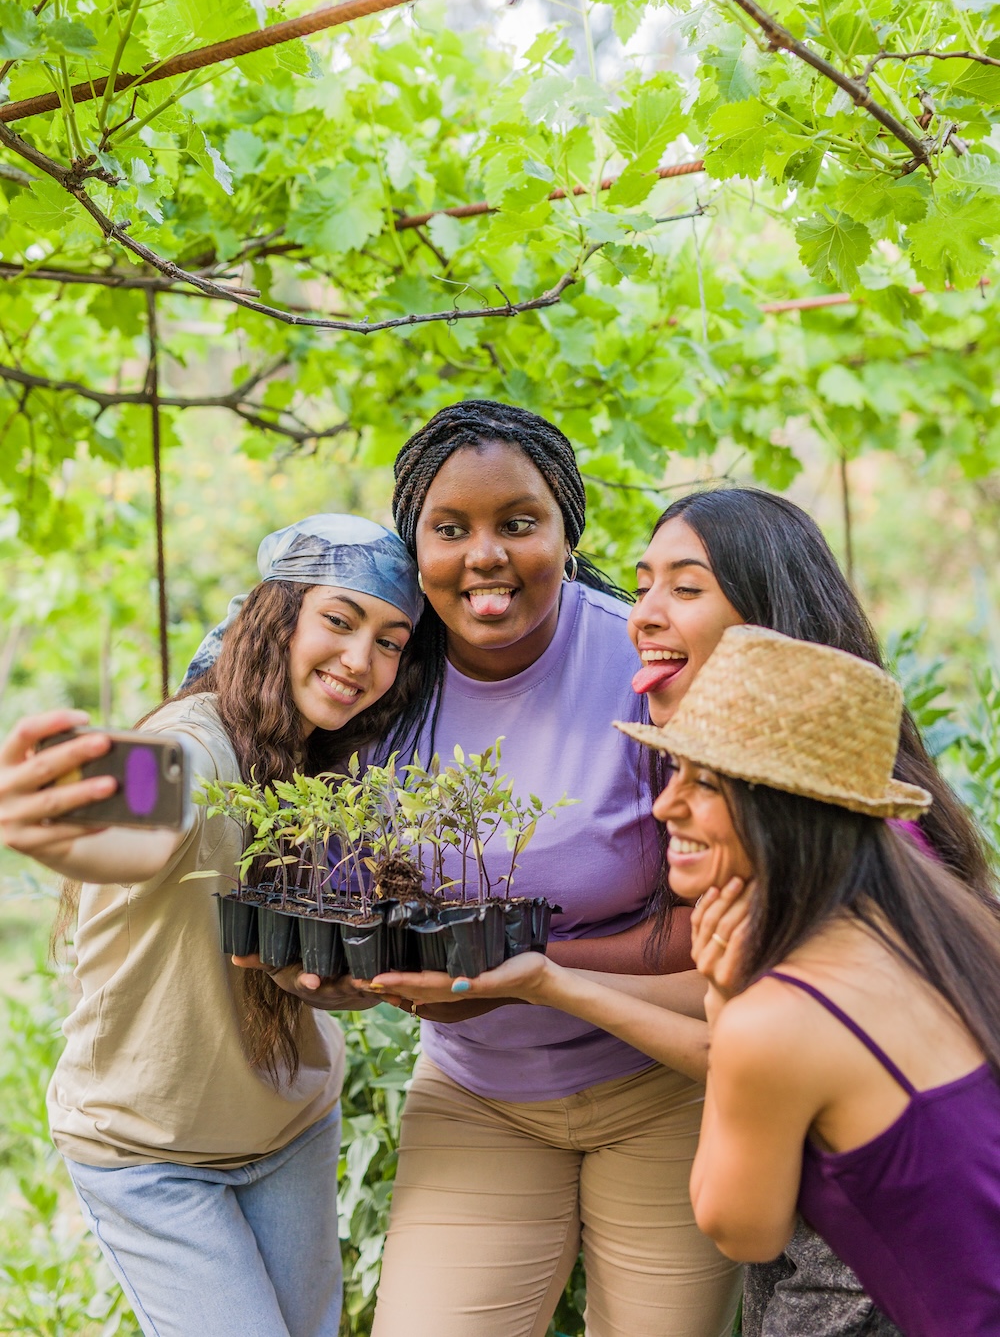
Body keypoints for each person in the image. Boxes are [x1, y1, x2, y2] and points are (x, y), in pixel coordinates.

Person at [378, 484, 995, 1337]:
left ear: (765, 617)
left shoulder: (850, 872)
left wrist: (682, 994)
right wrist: (548, 981)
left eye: (687, 586)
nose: (645, 614)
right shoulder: (856, 856)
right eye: (642, 588)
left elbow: (741, 1187)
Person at [256, 403, 741, 1337]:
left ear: (567, 529)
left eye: (518, 524)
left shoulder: (642, 659)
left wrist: (525, 975)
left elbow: (724, 922)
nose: (485, 556)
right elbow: (333, 878)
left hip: (661, 1085)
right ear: (416, 544)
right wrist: (349, 976)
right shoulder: (377, 676)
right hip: (478, 1096)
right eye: (451, 529)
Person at [0, 514, 423, 1337]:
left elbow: (319, 975)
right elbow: (149, 798)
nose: (360, 660)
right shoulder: (197, 743)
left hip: (291, 1125)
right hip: (149, 1153)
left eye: (390, 641)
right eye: (339, 620)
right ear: (277, 617)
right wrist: (67, 808)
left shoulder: (335, 771)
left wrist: (343, 985)